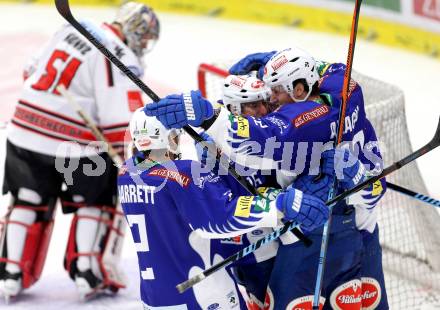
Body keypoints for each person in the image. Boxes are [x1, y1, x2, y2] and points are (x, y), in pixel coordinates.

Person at [144, 47, 386, 309]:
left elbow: (262, 135)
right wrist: (275, 59)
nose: (269, 102)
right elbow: (228, 206)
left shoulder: (300, 122)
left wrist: (208, 114)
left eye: (275, 91)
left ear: (300, 89)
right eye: (256, 101)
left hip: (337, 232)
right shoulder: (344, 83)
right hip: (266, 247)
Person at [0, 1, 160, 301]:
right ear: (138, 33)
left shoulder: (72, 28)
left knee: (28, 198)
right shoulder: (121, 55)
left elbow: (28, 72)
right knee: (96, 200)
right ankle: (88, 269)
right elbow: (119, 123)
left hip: (22, 131)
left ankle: (10, 270)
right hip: (73, 148)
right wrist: (132, 159)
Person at [117, 108, 329, 309]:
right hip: (202, 295)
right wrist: (277, 204)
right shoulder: (183, 173)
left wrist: (211, 171)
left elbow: (177, 212)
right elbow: (221, 216)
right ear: (167, 137)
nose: (178, 139)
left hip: (155, 297)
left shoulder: (127, 173)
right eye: (175, 135)